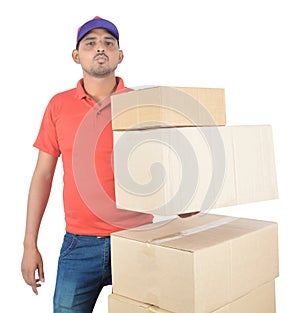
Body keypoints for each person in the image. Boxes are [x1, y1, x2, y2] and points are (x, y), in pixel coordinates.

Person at [21, 16, 154, 312]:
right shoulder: (59, 105)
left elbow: (166, 165)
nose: (100, 48)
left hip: (138, 240)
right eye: (90, 43)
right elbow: (43, 175)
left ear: (120, 55)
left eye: (109, 42)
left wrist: (186, 203)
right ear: (76, 55)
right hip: (80, 245)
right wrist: (29, 244)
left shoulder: (140, 104)